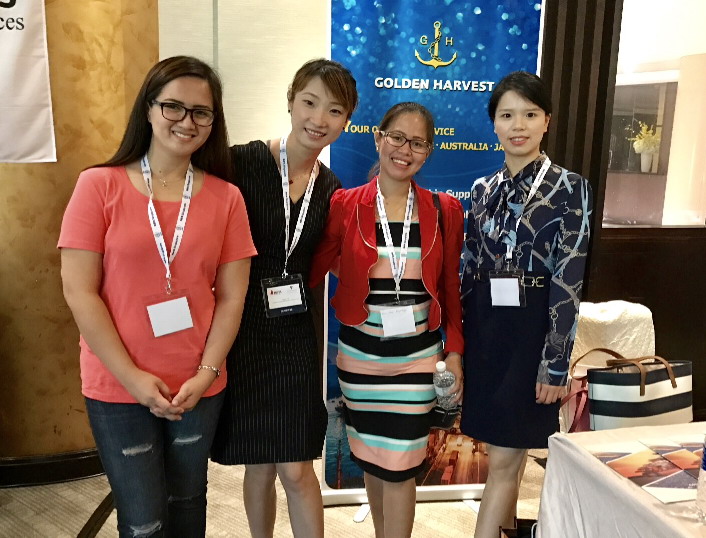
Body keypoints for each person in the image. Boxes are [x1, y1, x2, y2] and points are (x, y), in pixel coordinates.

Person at [59, 56, 256, 537]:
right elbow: (79, 291)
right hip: (117, 385)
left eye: (201, 112)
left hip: (198, 385)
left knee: (188, 504)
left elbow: (232, 297)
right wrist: (132, 378)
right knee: (144, 520)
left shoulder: (227, 198)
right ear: (148, 110)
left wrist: (206, 372)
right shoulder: (98, 185)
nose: (187, 121)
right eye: (173, 107)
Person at [209, 58, 358, 538]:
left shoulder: (331, 190)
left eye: (334, 110)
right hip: (242, 327)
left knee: (296, 466)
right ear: (291, 101)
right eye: (310, 103)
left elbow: (335, 261)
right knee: (258, 462)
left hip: (295, 334)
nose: (319, 119)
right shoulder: (241, 162)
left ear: (346, 120)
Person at [309, 102, 465, 538]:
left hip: (416, 362)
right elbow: (316, 267)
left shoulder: (444, 210)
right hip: (360, 362)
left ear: (429, 151)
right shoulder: (346, 205)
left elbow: (451, 290)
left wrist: (455, 352)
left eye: (417, 143)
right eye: (397, 137)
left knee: (400, 468)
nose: (404, 149)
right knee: (374, 463)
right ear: (378, 138)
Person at [460, 71, 592, 538]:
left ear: (546, 121)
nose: (518, 125)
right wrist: (459, 348)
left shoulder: (569, 188)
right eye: (507, 115)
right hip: (487, 331)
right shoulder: (482, 189)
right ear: (494, 123)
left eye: (530, 114)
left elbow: (569, 280)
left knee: (503, 461)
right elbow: (467, 271)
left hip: (533, 332)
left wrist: (554, 364)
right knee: (508, 459)